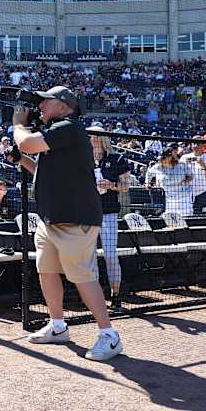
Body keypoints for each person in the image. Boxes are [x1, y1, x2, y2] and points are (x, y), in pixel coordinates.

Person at [10, 85, 122, 361]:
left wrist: (17, 124)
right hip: (51, 219)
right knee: (46, 271)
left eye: (46, 101)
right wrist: (20, 160)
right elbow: (41, 171)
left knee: (82, 276)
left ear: (63, 105)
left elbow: (26, 142)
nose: (40, 106)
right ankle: (58, 326)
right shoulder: (57, 133)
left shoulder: (69, 127)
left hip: (75, 218)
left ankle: (109, 335)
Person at [90, 131, 131, 311]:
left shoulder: (117, 158)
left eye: (95, 137)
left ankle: (116, 295)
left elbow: (126, 186)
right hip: (88, 214)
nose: (92, 140)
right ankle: (95, 297)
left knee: (110, 255)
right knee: (89, 257)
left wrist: (111, 185)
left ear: (101, 138)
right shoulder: (84, 159)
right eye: (91, 137)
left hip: (108, 213)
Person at [146, 148, 193, 217]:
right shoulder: (157, 167)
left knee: (186, 218)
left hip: (184, 198)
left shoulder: (181, 165)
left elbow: (190, 176)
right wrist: (147, 183)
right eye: (161, 157)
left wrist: (186, 181)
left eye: (164, 157)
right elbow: (149, 173)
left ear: (170, 157)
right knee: (171, 219)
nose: (162, 160)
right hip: (168, 199)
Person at [180, 136, 206, 215]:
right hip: (187, 193)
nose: (195, 145)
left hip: (204, 192)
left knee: (203, 218)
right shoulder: (184, 157)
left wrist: (204, 166)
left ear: (203, 145)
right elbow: (179, 174)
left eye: (198, 143)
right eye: (194, 143)